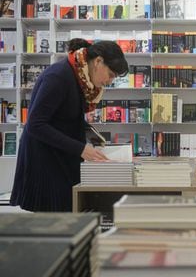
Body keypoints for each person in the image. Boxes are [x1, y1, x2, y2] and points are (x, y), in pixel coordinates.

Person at [10, 38, 129, 212]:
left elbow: (65, 115)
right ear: (98, 62)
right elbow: (35, 124)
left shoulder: (79, 77)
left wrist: (92, 137)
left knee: (67, 218)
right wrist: (81, 149)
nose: (110, 81)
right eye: (111, 74)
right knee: (54, 225)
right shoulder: (58, 76)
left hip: (59, 158)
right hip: (46, 163)